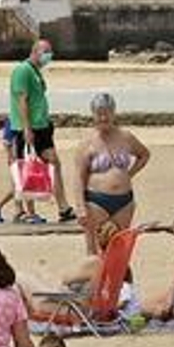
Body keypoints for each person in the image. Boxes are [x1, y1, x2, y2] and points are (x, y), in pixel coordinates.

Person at [74, 92, 151, 253]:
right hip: (96, 200)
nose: (103, 118)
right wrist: (80, 207)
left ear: (113, 113)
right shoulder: (86, 143)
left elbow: (144, 155)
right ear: (93, 115)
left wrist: (129, 174)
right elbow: (79, 178)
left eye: (107, 113)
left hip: (124, 201)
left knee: (120, 248)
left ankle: (120, 279)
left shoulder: (126, 137)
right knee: (94, 247)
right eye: (99, 114)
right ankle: (94, 278)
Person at [9, 38, 75, 223]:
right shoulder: (23, 70)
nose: (48, 56)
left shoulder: (36, 72)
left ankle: (64, 208)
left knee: (54, 162)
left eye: (50, 51)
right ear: (35, 51)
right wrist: (26, 128)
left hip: (43, 127)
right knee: (26, 168)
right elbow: (21, 101)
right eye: (45, 51)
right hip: (30, 128)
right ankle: (26, 211)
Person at [0, 120, 41, 224]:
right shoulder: (13, 121)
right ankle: (30, 213)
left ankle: (19, 211)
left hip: (20, 158)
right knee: (24, 185)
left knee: (20, 186)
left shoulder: (15, 120)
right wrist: (11, 157)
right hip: (18, 159)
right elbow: (8, 142)